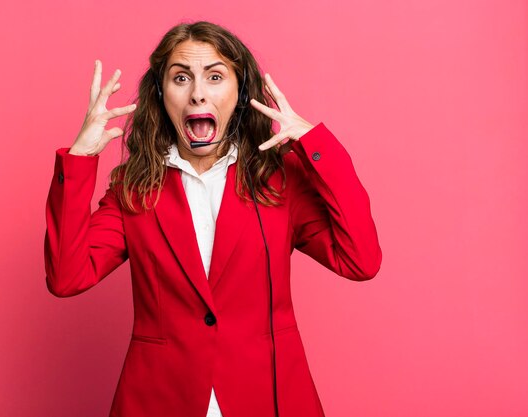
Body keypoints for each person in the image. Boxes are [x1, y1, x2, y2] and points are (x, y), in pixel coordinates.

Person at [44, 20, 382, 417]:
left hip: (268, 397)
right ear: (160, 93)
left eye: (215, 76)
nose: (197, 93)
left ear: (239, 93)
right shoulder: (132, 190)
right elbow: (67, 277)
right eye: (181, 78)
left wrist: (315, 144)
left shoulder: (280, 182)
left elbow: (361, 261)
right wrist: (81, 159)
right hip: (159, 400)